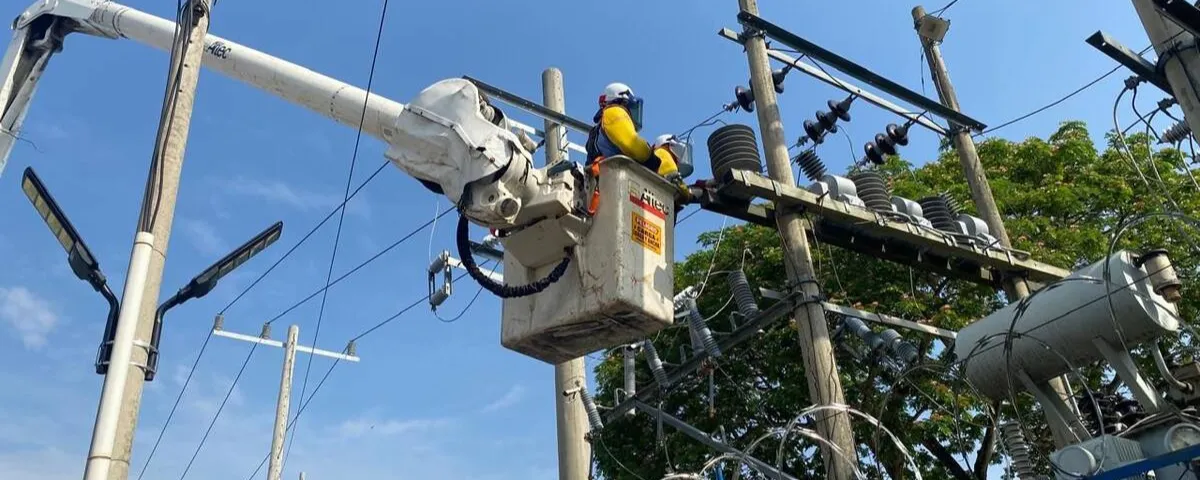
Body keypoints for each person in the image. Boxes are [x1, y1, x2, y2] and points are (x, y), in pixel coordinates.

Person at [585, 82, 651, 165]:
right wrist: (651, 157)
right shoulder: (614, 112)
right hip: (617, 173)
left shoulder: (598, 128)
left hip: (607, 173)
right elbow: (632, 144)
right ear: (624, 102)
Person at [651, 134, 693, 203]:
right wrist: (687, 194)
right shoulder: (663, 152)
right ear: (670, 145)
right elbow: (675, 179)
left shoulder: (656, 154)